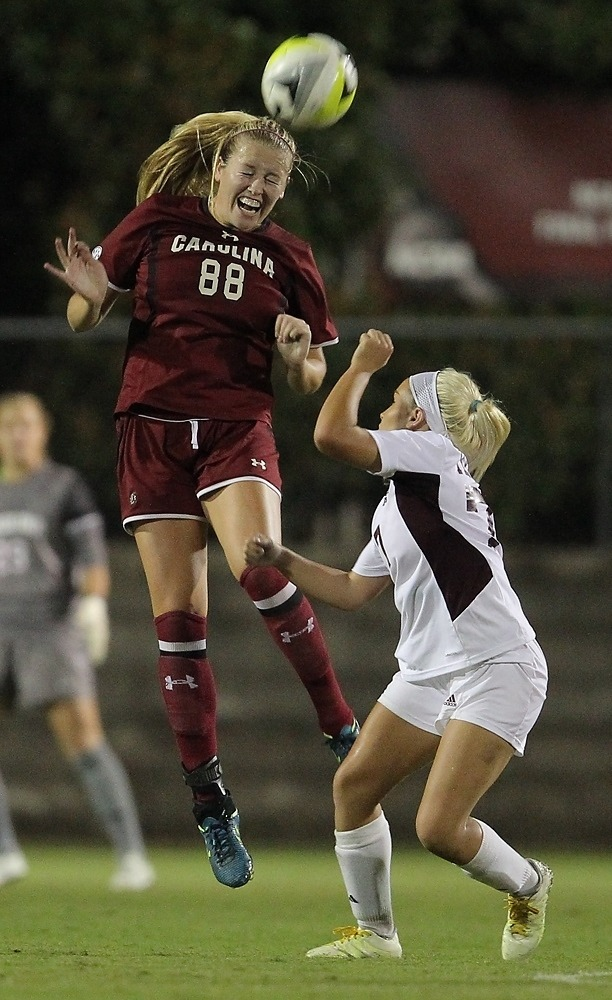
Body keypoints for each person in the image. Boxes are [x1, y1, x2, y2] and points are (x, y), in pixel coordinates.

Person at [44, 111, 359, 889]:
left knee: (260, 564)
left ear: (282, 193)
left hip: (234, 427)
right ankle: (212, 804)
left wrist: (296, 359)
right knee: (180, 624)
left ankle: (339, 724)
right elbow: (88, 314)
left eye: (272, 181)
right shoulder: (158, 222)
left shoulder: (290, 257)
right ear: (218, 168)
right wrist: (87, 298)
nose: (257, 188)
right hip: (150, 431)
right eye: (247, 172)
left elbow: (313, 371)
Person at [245, 329, 552, 961]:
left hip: (498, 666)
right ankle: (377, 934)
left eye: (393, 397)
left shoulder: (433, 454)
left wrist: (357, 365)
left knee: (438, 828)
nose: (383, 406)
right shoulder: (404, 498)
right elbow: (356, 590)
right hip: (431, 669)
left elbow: (330, 436)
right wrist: (283, 558)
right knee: (355, 787)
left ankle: (529, 884)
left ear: (417, 421)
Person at [0, 392, 155, 890]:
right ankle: (5, 854)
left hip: (49, 628)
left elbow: (92, 558)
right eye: (8, 425)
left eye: (26, 423)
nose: (17, 434)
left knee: (84, 742)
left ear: (43, 429)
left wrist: (92, 604)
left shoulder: (63, 487)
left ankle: (131, 854)